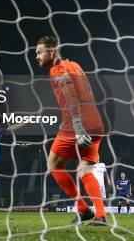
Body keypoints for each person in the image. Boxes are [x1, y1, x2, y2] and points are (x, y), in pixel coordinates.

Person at [36, 36, 106, 226]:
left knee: (54, 164)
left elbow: (70, 96)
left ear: (52, 52)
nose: (37, 56)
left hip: (78, 125)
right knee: (85, 170)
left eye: (39, 52)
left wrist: (76, 126)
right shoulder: (74, 65)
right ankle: (100, 215)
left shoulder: (57, 69)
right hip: (96, 123)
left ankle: (83, 210)